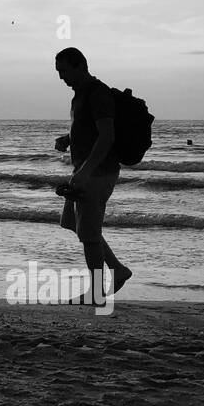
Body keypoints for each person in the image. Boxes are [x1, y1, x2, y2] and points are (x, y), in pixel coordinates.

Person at [54, 47, 132, 304]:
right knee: (76, 225)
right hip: (85, 171)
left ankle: (97, 293)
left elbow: (106, 136)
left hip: (97, 173)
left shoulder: (98, 93)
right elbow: (89, 129)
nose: (61, 77)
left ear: (80, 65)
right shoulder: (80, 95)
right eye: (59, 72)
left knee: (88, 234)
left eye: (64, 70)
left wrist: (86, 172)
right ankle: (117, 269)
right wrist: (68, 138)